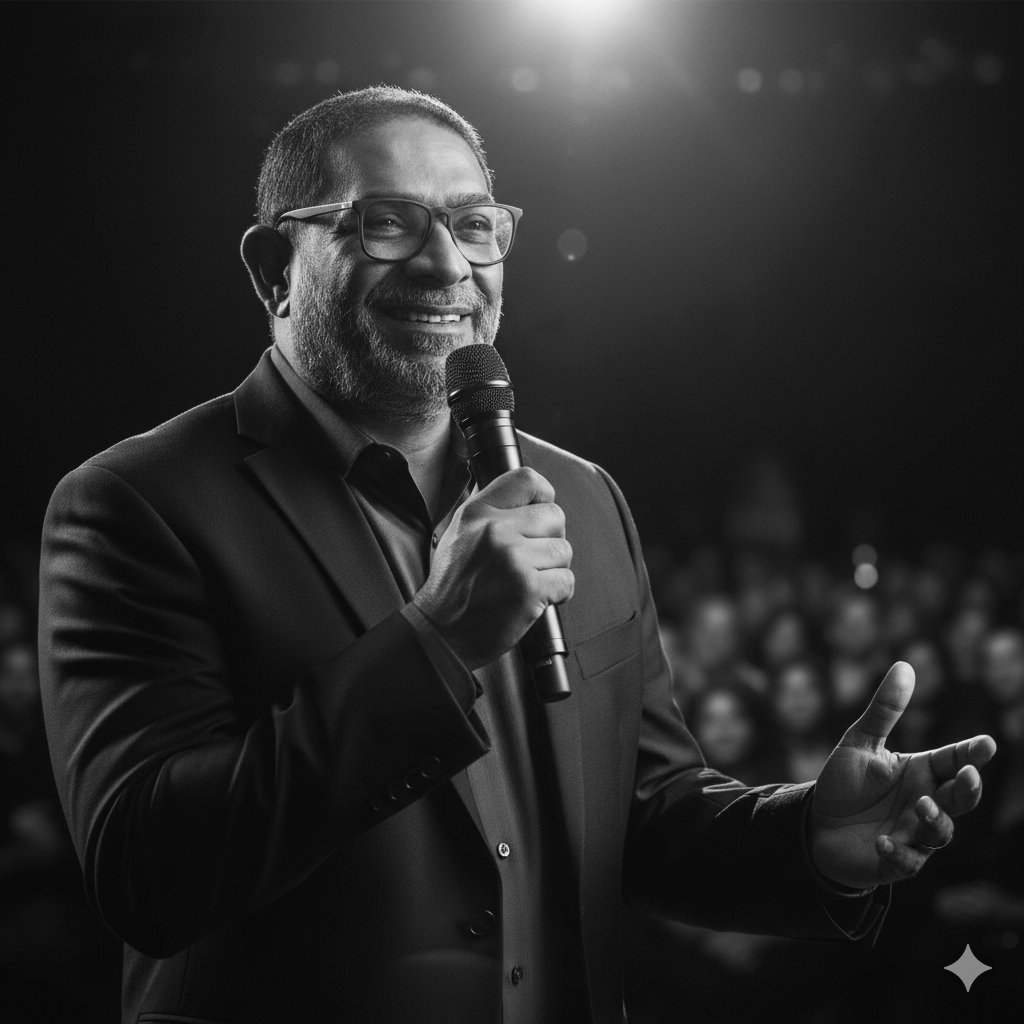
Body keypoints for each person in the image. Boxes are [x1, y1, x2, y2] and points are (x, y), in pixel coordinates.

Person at [36, 86, 996, 1024]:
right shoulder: (137, 503)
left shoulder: (582, 495)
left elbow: (648, 808)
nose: (446, 263)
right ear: (273, 265)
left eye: (475, 223)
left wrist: (805, 842)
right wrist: (440, 638)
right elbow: (146, 873)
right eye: (386, 223)